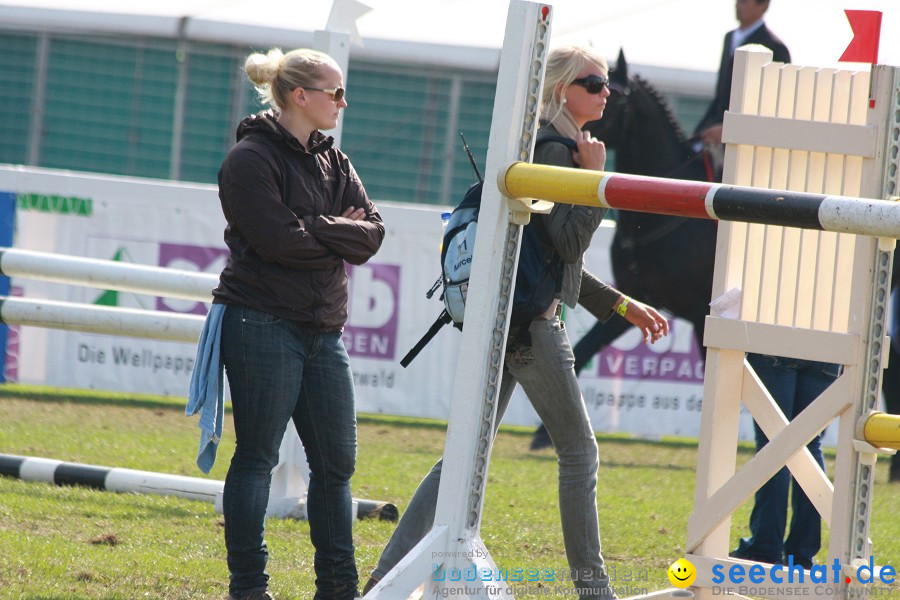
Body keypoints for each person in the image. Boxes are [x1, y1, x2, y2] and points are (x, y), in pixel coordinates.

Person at [362, 45, 670, 600]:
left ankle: (383, 579)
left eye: (606, 86)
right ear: (561, 91)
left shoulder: (541, 147)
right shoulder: (559, 153)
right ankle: (594, 591)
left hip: (503, 320)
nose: (606, 93)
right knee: (579, 452)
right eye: (595, 84)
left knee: (463, 456)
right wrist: (596, 182)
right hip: (532, 330)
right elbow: (571, 242)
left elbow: (550, 262)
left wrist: (621, 305)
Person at [214, 48, 385, 600]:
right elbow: (276, 242)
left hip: (323, 330)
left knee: (337, 465)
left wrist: (313, 227)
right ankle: (249, 589)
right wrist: (333, 232)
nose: (344, 101)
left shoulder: (336, 159)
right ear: (300, 96)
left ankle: (338, 590)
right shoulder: (250, 159)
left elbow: (373, 235)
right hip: (260, 322)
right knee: (257, 457)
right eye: (335, 92)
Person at [730, 355, 840, 569]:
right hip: (826, 351)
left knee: (774, 444)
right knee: (809, 445)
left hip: (777, 347)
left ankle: (764, 548)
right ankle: (801, 554)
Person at [694, 0, 791, 150]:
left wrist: (729, 128)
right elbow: (721, 94)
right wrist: (701, 129)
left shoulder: (776, 48)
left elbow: (768, 104)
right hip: (715, 129)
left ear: (763, 5)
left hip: (745, 140)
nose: (738, 5)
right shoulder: (729, 37)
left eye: (744, 1)